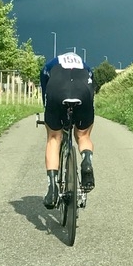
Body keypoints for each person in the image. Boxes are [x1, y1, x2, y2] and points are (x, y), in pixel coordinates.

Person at [40, 51, 96, 209]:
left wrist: (48, 110)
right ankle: (86, 161)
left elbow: (45, 90)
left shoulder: (51, 65)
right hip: (83, 92)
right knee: (83, 135)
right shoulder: (86, 67)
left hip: (57, 91)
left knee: (53, 138)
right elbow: (91, 93)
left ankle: (52, 190)